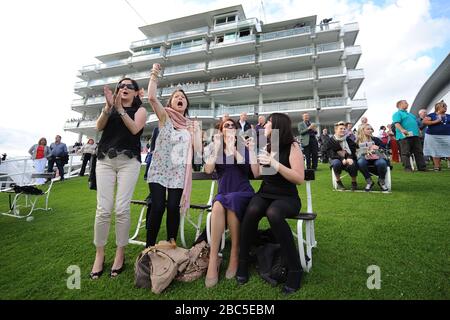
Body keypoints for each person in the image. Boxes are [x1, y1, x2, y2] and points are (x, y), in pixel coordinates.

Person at [236, 113, 305, 294]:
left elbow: (299, 178)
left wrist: (275, 163)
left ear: (276, 127)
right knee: (252, 210)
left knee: (274, 213)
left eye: (267, 123)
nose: (264, 125)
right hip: (266, 193)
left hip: (287, 197)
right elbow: (258, 173)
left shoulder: (293, 147)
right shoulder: (267, 146)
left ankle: (295, 269)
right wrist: (252, 151)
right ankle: (242, 261)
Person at [89, 78, 147, 280]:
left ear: (136, 92)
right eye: (120, 86)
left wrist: (120, 109)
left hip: (129, 162)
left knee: (121, 208)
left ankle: (120, 253)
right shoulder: (110, 108)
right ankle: (100, 253)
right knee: (103, 209)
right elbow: (98, 127)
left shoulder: (140, 111)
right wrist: (108, 107)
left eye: (128, 86)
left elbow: (134, 129)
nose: (124, 88)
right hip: (105, 160)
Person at [146, 63, 202, 247]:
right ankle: (150, 245)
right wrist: (154, 74)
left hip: (179, 172)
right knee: (158, 205)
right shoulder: (165, 117)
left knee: (172, 207)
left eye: (183, 97)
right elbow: (152, 98)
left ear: (186, 104)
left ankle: (171, 243)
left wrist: (195, 132)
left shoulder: (192, 125)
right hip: (160, 169)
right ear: (171, 102)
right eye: (176, 96)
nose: (180, 98)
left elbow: (198, 151)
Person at [203, 118, 259, 288]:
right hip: (224, 192)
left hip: (242, 192)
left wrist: (234, 150)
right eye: (225, 125)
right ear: (220, 130)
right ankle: (214, 258)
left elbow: (252, 171)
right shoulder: (215, 148)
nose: (229, 127)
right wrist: (218, 147)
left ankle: (235, 253)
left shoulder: (242, 147)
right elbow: (208, 170)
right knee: (219, 204)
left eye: (232, 125)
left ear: (236, 130)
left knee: (231, 201)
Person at [392, 100, 427, 171]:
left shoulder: (411, 114)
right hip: (404, 136)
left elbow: (415, 123)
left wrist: (418, 131)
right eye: (405, 103)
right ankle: (407, 168)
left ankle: (422, 168)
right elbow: (396, 123)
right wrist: (402, 130)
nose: (407, 104)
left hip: (415, 135)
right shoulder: (397, 114)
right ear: (400, 105)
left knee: (419, 152)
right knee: (405, 152)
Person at [356, 124, 389, 192]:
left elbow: (384, 148)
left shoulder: (375, 139)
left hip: (376, 157)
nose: (370, 130)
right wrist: (364, 150)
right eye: (368, 129)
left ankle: (381, 181)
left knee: (382, 163)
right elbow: (355, 151)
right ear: (362, 130)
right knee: (360, 162)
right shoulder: (358, 140)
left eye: (371, 129)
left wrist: (378, 147)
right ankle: (369, 181)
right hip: (364, 158)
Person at [326, 121, 358, 191]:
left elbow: (353, 149)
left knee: (352, 163)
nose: (343, 130)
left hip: (347, 157)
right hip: (336, 158)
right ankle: (338, 181)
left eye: (344, 129)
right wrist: (342, 159)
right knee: (336, 163)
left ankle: (354, 182)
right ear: (336, 130)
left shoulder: (347, 139)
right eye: (341, 128)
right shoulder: (331, 141)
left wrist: (349, 157)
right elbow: (331, 154)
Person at [422, 101, 450, 171]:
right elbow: (424, 122)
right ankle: (437, 167)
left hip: (447, 136)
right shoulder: (432, 115)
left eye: (446, 106)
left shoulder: (448, 116)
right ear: (438, 107)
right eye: (444, 106)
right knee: (435, 151)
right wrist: (436, 121)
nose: (445, 107)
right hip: (433, 136)